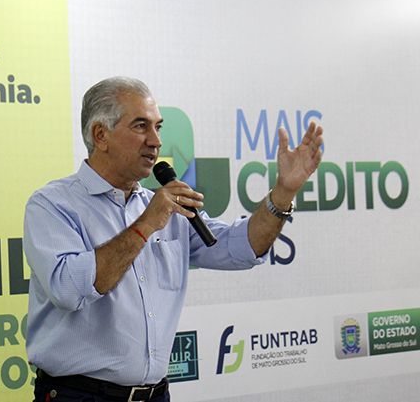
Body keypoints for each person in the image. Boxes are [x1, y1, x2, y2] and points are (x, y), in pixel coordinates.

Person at [23, 76, 324, 402]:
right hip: (79, 396)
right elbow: (69, 290)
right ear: (101, 135)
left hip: (156, 394)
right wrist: (146, 224)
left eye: (158, 127)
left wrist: (284, 192)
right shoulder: (53, 204)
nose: (155, 141)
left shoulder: (164, 206)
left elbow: (242, 248)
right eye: (141, 126)